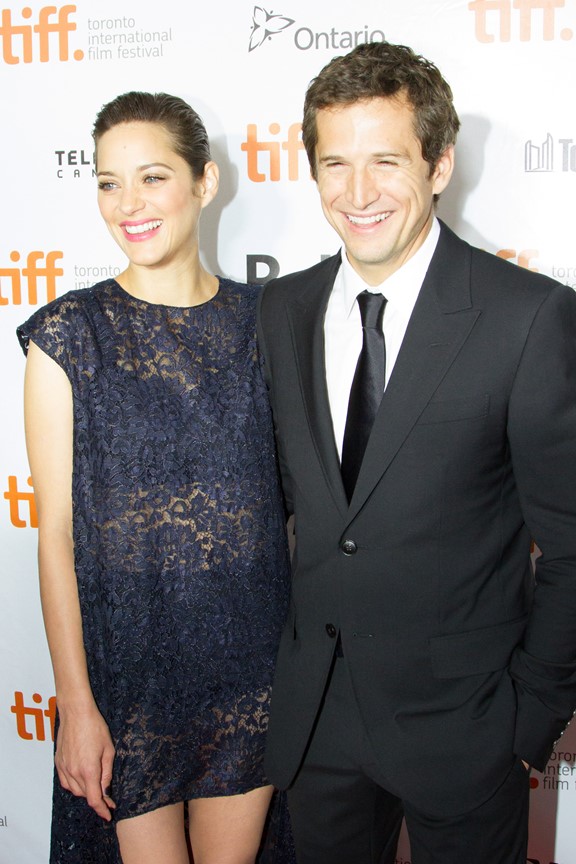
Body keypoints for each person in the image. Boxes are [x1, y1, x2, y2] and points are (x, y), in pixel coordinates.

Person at [257, 41, 576, 864]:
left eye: (387, 161)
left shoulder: (528, 317)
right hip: (319, 729)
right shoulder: (281, 310)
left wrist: (528, 719)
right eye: (335, 163)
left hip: (468, 730)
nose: (358, 193)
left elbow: (573, 547)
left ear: (439, 165)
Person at [18, 91, 293, 864]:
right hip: (127, 682)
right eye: (109, 182)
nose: (128, 204)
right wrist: (76, 704)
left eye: (152, 177)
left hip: (251, 673)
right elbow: (56, 535)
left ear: (205, 182)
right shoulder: (68, 336)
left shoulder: (269, 324)